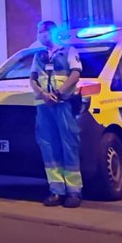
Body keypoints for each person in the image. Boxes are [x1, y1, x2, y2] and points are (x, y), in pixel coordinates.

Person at [31, 21, 85, 208]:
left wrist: (59, 93)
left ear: (51, 32)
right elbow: (33, 79)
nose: (40, 35)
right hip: (43, 106)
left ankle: (74, 191)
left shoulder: (68, 51)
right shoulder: (39, 56)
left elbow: (75, 75)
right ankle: (56, 191)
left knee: (68, 144)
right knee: (49, 147)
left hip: (63, 104)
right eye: (38, 32)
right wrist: (43, 95)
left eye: (42, 31)